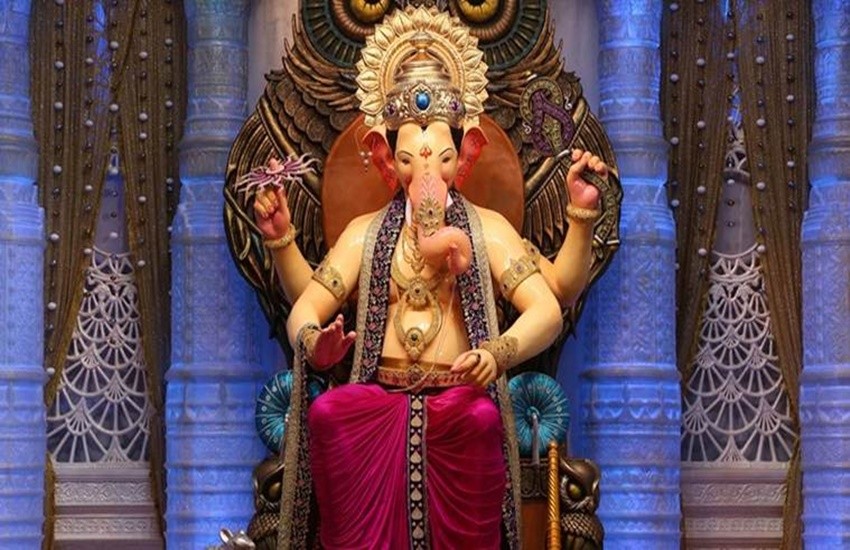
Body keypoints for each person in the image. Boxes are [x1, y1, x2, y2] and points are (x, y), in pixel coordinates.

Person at [248, 8, 609, 549]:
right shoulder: (366, 234)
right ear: (384, 159)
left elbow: (547, 309)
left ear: (465, 157)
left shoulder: (486, 230)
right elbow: (307, 305)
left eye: (441, 159)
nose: (426, 176)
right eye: (409, 160)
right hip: (379, 393)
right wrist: (314, 343)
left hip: (457, 400)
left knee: (482, 420)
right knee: (330, 412)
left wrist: (498, 352)